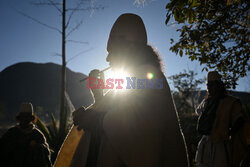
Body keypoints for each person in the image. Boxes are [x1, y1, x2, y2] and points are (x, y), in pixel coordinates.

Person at [72, 13, 189, 167]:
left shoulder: (149, 76)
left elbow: (136, 126)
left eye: (112, 52)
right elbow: (120, 112)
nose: (107, 59)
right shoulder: (132, 79)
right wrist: (99, 95)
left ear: (130, 47)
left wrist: (95, 120)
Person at [195, 71, 247, 167]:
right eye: (208, 85)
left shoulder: (231, 102)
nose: (209, 88)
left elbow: (239, 120)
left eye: (212, 85)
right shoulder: (206, 102)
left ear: (219, 85)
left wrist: (228, 133)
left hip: (221, 146)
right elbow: (199, 112)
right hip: (205, 145)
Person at [0, 102, 52, 167]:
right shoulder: (11, 133)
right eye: (23, 116)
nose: (25, 119)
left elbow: (46, 155)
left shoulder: (37, 135)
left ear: (31, 118)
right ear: (20, 118)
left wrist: (37, 147)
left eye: (27, 116)